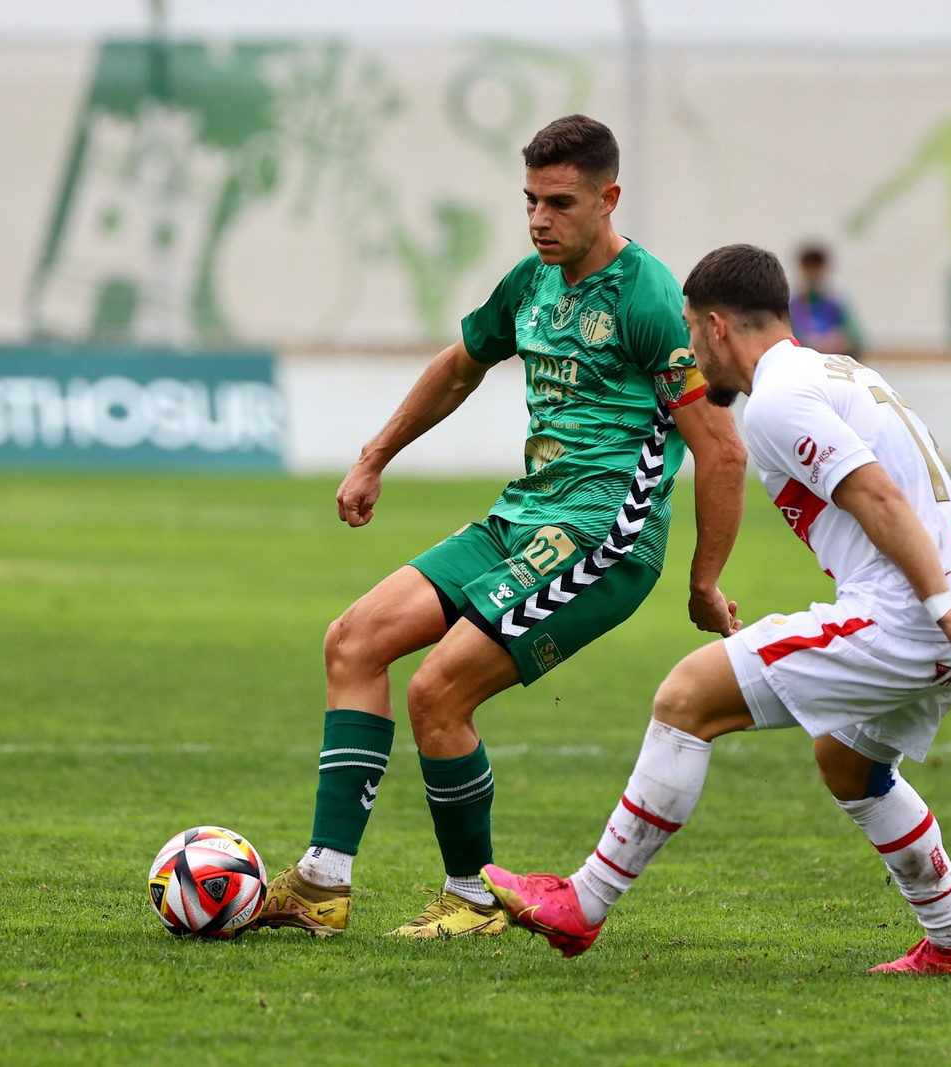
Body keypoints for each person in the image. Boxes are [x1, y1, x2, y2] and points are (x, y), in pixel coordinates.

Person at [256, 116, 749, 939]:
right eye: (529, 201)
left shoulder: (650, 296)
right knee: (353, 641)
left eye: (559, 203)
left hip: (603, 534)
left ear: (608, 198)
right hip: (520, 515)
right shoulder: (531, 282)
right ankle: (322, 886)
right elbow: (459, 368)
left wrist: (703, 584)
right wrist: (373, 456)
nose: (539, 220)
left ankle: (472, 897)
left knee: (437, 690)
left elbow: (722, 452)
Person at [482, 244, 951, 975]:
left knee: (687, 696)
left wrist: (938, 609)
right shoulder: (837, 371)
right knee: (848, 762)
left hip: (917, 614)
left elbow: (882, 499)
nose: (692, 355)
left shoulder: (777, 396)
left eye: (692, 338)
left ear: (715, 326)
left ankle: (585, 903)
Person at [790, 244, 862, 358]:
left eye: (817, 266)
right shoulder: (792, 305)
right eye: (809, 266)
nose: (813, 272)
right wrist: (808, 343)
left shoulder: (836, 302)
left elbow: (857, 338)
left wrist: (841, 340)